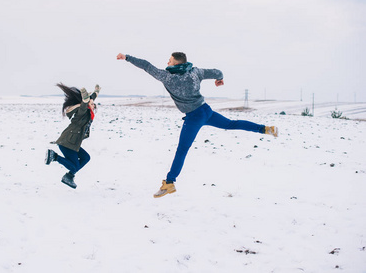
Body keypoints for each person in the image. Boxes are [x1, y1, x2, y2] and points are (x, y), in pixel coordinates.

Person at [116, 52, 278, 198]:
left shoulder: (167, 77)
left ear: (176, 63)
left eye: (170, 60)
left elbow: (146, 65)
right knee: (231, 124)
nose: (167, 62)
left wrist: (127, 58)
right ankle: (265, 129)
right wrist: (219, 79)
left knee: (182, 150)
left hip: (194, 117)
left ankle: (169, 183)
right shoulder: (195, 72)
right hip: (205, 111)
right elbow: (217, 72)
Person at [45, 83, 101, 189]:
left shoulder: (89, 114)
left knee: (85, 158)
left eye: (93, 103)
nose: (94, 105)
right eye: (92, 103)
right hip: (67, 142)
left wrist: (96, 92)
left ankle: (69, 176)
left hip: (73, 143)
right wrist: (85, 100)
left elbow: (90, 99)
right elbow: (85, 104)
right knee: (74, 166)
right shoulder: (82, 112)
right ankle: (54, 156)